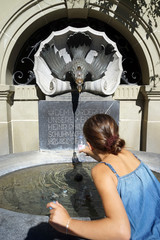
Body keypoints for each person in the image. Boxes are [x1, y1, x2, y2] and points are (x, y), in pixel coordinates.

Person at [47, 114, 160, 240]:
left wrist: (67, 223)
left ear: (90, 144)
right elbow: (108, 157)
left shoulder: (101, 171)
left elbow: (120, 231)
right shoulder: (127, 154)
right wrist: (90, 152)